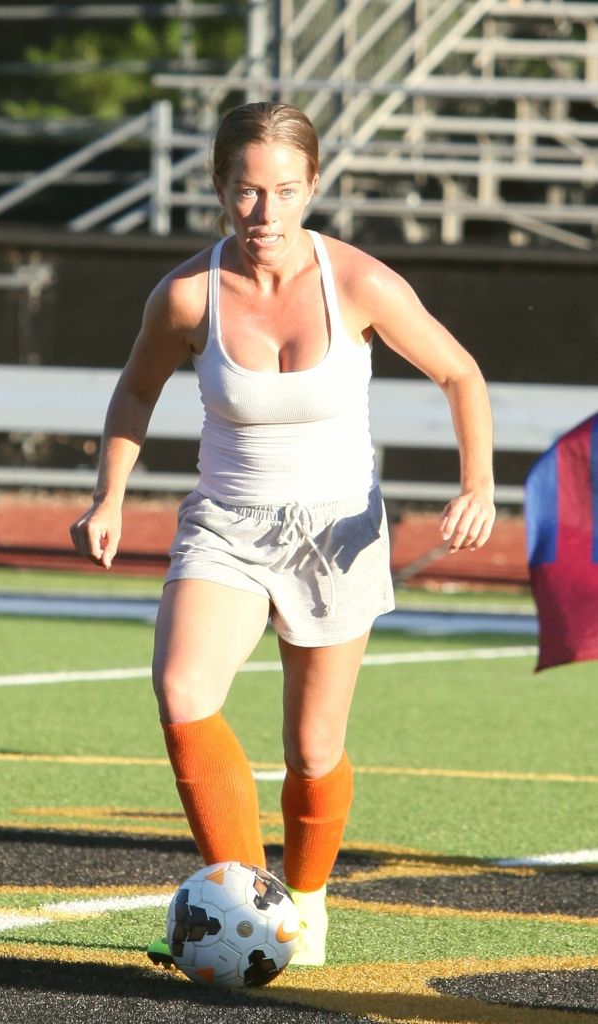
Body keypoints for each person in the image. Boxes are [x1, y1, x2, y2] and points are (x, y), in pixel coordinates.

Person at [70, 101, 495, 968]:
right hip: (225, 524)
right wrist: (108, 496)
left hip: (338, 533)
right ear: (219, 185)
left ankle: (306, 898)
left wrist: (477, 486)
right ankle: (249, 905)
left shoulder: (360, 283)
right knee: (183, 690)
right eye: (247, 190)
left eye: (285, 191)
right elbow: (136, 391)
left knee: (312, 748)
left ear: (313, 187)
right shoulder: (186, 294)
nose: (264, 213)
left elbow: (459, 373)